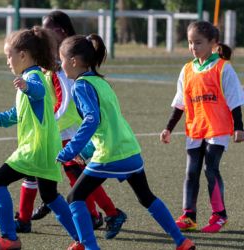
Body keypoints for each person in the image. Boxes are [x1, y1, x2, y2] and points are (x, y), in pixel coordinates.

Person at [57, 33, 196, 250]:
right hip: (130, 150)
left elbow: (92, 120)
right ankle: (182, 241)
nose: (61, 65)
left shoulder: (81, 86)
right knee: (146, 197)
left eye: (62, 60)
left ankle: (89, 246)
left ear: (73, 61)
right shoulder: (101, 82)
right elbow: (108, 123)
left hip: (110, 154)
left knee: (75, 197)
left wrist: (71, 149)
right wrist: (86, 149)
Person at [14, 10, 127, 240]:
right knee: (51, 172)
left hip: (67, 127)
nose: (43, 33)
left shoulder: (65, 60)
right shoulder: (51, 59)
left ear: (61, 31)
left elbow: (65, 99)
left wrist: (50, 121)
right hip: (57, 127)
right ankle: (29, 217)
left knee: (76, 174)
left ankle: (108, 213)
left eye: (48, 28)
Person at [0, 26, 83, 250]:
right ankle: (82, 240)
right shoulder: (29, 78)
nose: (7, 61)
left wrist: (27, 87)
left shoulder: (34, 78)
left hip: (35, 148)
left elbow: (38, 91)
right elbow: (15, 115)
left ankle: (9, 239)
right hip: (47, 149)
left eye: (8, 56)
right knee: (50, 196)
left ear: (22, 55)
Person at [160, 20, 244, 233]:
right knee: (191, 172)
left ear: (213, 43)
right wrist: (168, 128)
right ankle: (189, 215)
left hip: (217, 129)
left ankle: (219, 215)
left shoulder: (223, 68)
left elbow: (235, 99)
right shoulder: (187, 69)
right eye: (190, 43)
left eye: (198, 43)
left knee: (211, 168)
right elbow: (179, 103)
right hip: (195, 128)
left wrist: (239, 127)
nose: (193, 47)